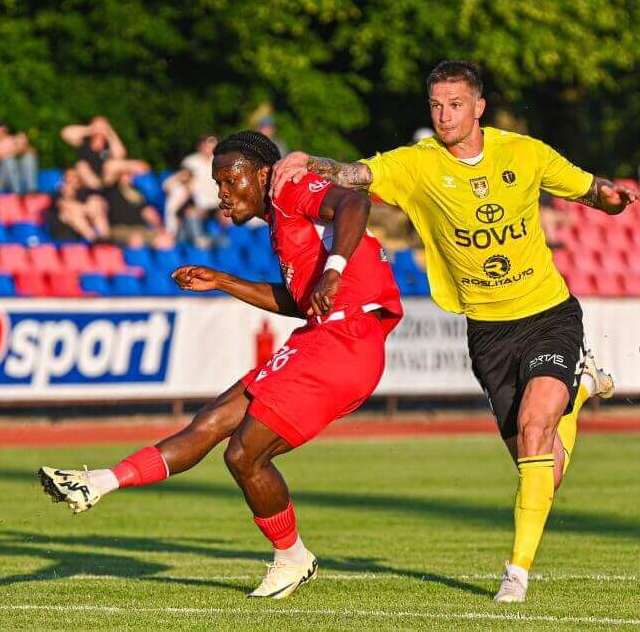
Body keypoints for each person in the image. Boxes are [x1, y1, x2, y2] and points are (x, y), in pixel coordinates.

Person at [271, 60, 640, 603]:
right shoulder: (416, 166)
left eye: (455, 105)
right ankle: (580, 390)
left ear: (478, 108)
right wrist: (309, 161)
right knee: (540, 465)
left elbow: (590, 191)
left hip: (548, 314)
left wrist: (614, 196)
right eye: (436, 106)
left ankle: (515, 575)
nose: (444, 116)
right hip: (488, 334)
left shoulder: (525, 152)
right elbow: (354, 174)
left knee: (538, 429)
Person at [37, 131, 403, 600]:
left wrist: (333, 269)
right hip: (324, 336)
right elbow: (298, 301)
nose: (223, 194)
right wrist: (224, 281)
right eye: (217, 185)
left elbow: (353, 202)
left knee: (244, 454)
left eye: (231, 180)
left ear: (263, 173)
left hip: (346, 340)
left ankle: (292, 558)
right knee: (210, 422)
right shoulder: (281, 221)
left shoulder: (289, 188)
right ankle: (96, 483)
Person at [61, 116, 150, 185]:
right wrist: (90, 129)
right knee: (81, 166)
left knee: (114, 165)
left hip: (107, 181)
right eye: (98, 126)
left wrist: (109, 132)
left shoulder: (109, 145)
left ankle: (102, 189)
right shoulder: (84, 143)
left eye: (104, 126)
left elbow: (120, 155)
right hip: (86, 181)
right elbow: (66, 133)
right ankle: (97, 188)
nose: (101, 129)